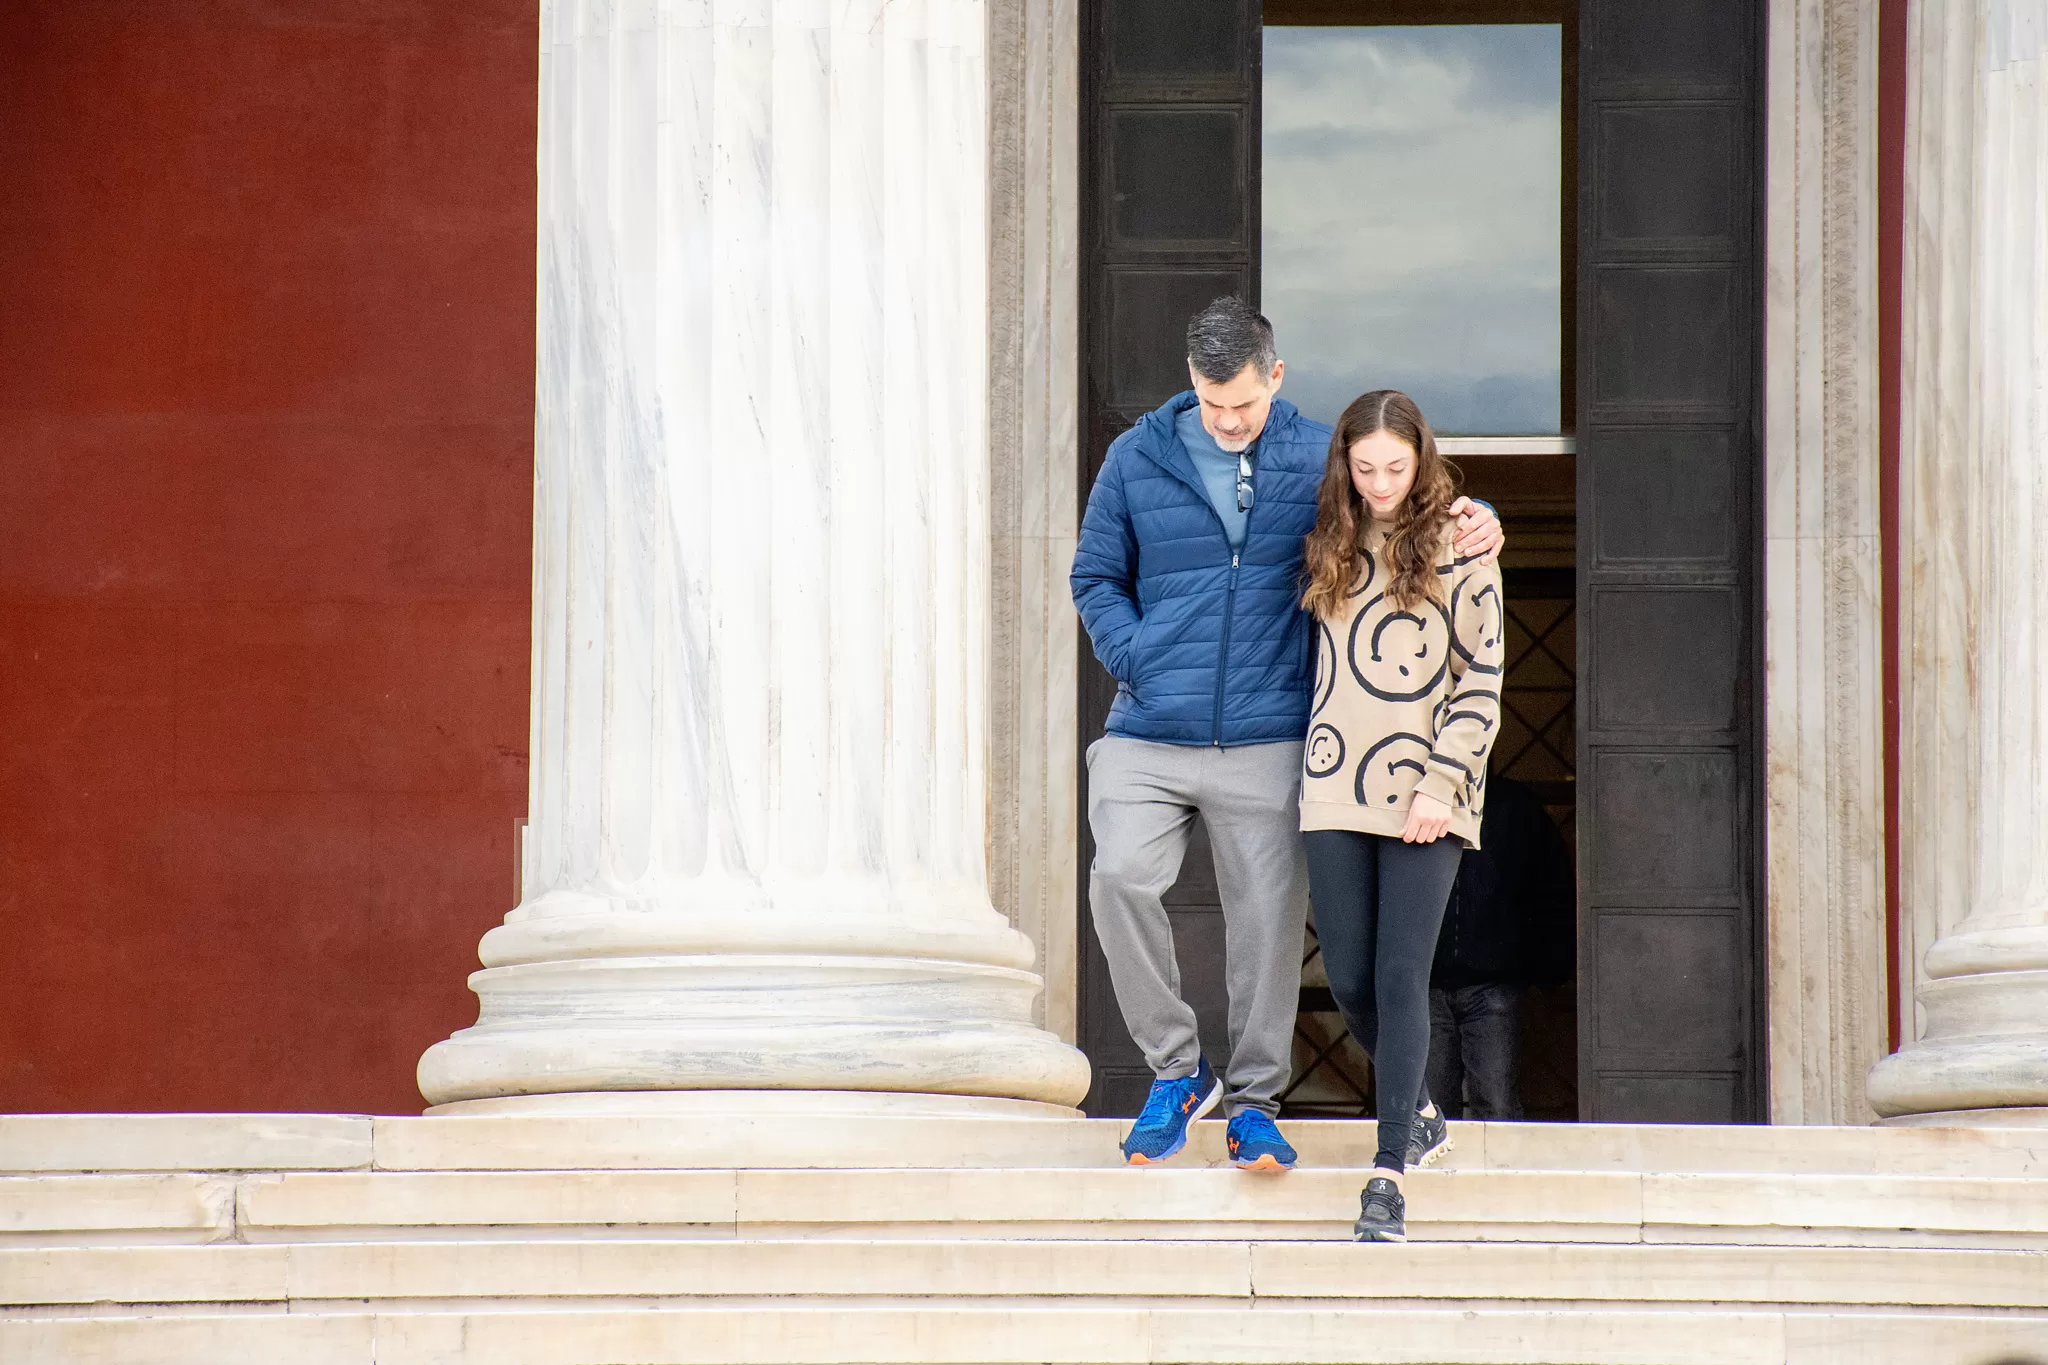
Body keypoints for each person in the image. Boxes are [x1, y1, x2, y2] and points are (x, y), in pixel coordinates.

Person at [1070, 299, 1503, 1172]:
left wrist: (1477, 511)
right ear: (1190, 381)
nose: (1226, 421)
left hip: (1271, 729)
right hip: (1149, 725)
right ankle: (1176, 1066)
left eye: (1242, 403)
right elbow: (1095, 574)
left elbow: (1399, 495)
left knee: (1268, 922)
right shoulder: (1136, 456)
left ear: (1276, 377)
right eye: (1209, 402)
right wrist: (1135, 654)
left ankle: (1255, 1100)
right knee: (1117, 877)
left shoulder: (1318, 459)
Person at [1296, 388, 1505, 1240]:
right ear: (1345, 464)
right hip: (1332, 783)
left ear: (1421, 459)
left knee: (1398, 974)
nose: (1381, 483)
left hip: (1427, 792)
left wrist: (1440, 783)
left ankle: (1387, 1174)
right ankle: (1416, 1103)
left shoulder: (1461, 541)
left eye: (1397, 466)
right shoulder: (1327, 542)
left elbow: (1481, 679)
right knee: (1346, 976)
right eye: (1365, 466)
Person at [1426, 772, 1577, 1121]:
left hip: (1494, 982)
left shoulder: (1514, 807)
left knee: (1496, 1107)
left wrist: (1549, 967)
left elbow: (1549, 888)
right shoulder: (1412, 803)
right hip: (1427, 983)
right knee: (1429, 1113)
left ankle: (1498, 1175)